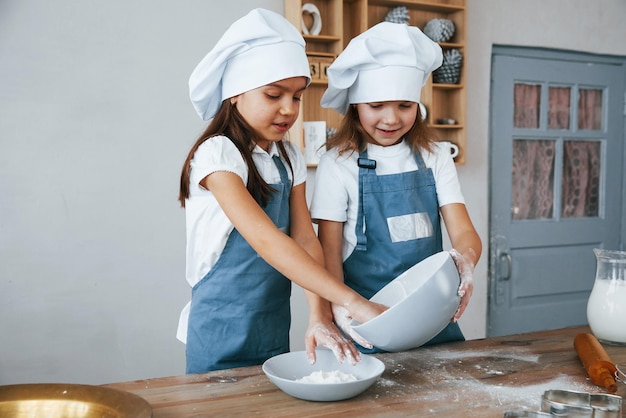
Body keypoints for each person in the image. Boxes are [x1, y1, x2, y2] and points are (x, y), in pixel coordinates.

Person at [176, 8, 386, 374]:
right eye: (274, 95)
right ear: (235, 95)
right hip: (218, 326)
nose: (289, 109)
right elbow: (268, 241)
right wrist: (352, 301)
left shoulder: (288, 156)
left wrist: (319, 315)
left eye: (297, 96)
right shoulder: (218, 154)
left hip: (272, 322)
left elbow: (304, 240)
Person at [310, 22, 482, 353]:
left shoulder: (435, 156)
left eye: (405, 105)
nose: (391, 119)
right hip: (365, 318)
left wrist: (467, 261)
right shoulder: (337, 162)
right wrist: (340, 309)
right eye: (377, 106)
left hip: (433, 317)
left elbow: (464, 231)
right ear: (355, 106)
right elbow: (328, 250)